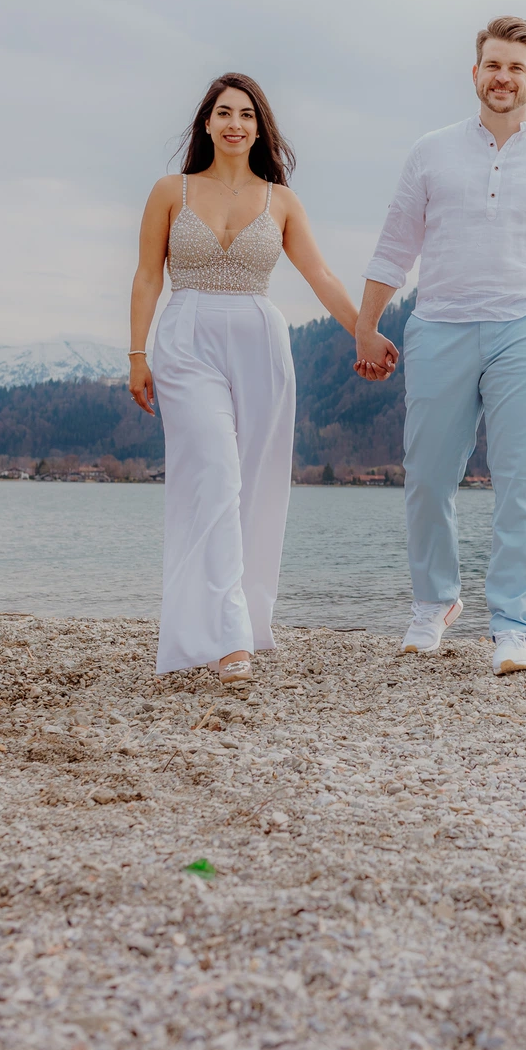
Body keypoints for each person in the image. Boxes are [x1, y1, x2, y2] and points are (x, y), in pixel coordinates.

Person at [354, 16, 526, 676]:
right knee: (426, 474)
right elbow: (395, 243)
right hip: (440, 323)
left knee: (520, 479)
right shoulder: (431, 152)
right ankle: (434, 603)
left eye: (516, 67)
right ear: (475, 73)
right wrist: (366, 323)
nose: (503, 77)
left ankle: (511, 626)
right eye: (493, 65)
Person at [127, 73, 360, 690]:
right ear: (206, 122)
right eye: (224, 113)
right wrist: (136, 354)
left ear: (260, 128)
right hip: (186, 338)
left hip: (259, 340)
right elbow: (148, 276)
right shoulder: (169, 191)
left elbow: (320, 274)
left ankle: (246, 619)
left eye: (247, 115)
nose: (236, 123)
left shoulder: (280, 200)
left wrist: (363, 330)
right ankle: (227, 636)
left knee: (254, 484)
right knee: (216, 476)